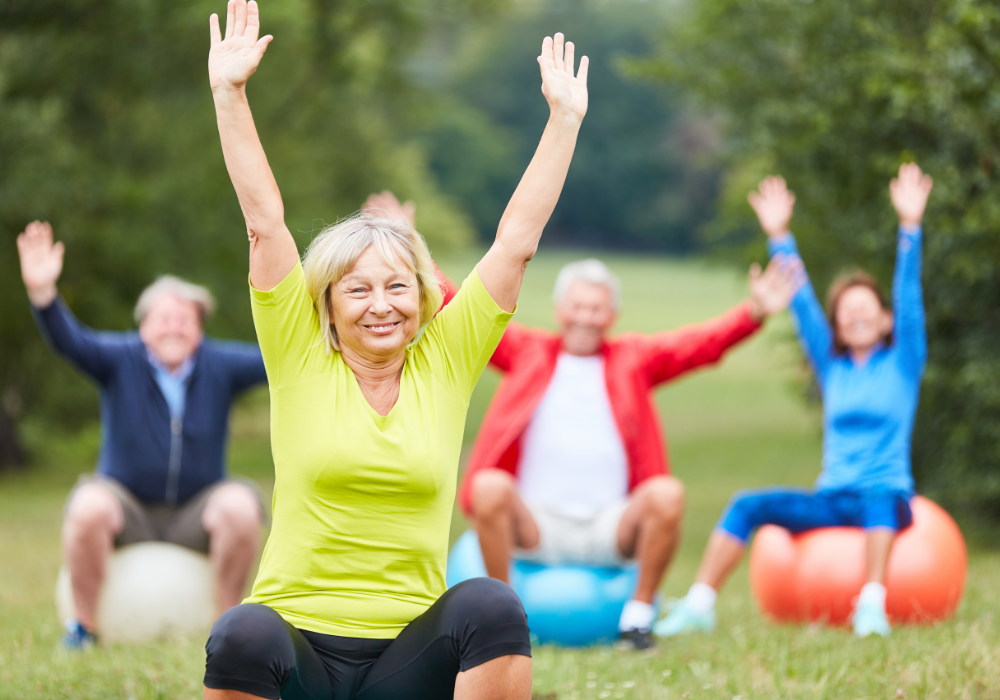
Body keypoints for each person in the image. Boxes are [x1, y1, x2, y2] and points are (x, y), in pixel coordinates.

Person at [202, 0, 587, 697]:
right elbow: (264, 222)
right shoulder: (299, 353)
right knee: (241, 630)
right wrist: (230, 94)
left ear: (423, 294)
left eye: (396, 286)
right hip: (300, 657)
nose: (380, 304)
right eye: (357, 291)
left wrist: (563, 121)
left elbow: (516, 244)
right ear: (325, 306)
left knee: (492, 604)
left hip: (407, 664)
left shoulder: (446, 359)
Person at [378, 210, 798, 650]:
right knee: (486, 486)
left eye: (596, 308)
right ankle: (506, 615)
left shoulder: (633, 359)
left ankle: (636, 620)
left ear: (611, 313)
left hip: (608, 527)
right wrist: (410, 247)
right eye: (578, 306)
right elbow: (462, 306)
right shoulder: (527, 352)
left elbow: (696, 346)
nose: (586, 317)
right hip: (536, 524)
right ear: (561, 310)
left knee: (667, 494)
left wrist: (753, 313)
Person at [656, 163, 932, 639]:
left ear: (886, 321)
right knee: (747, 504)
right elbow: (802, 305)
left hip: (887, 500)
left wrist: (910, 227)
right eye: (847, 312)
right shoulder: (832, 367)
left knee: (879, 496)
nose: (856, 316)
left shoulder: (904, 361)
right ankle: (700, 605)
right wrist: (779, 235)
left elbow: (909, 297)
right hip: (833, 498)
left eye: (866, 309)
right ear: (839, 326)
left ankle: (870, 607)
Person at [16, 221, 269, 650]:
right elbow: (69, 341)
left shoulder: (220, 364)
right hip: (126, 505)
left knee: (242, 507)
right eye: (163, 318)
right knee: (88, 506)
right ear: (144, 325)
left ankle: (225, 634)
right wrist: (43, 294)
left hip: (196, 508)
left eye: (184, 320)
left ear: (200, 328)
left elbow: (279, 357)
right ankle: (83, 628)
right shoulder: (120, 358)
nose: (174, 327)